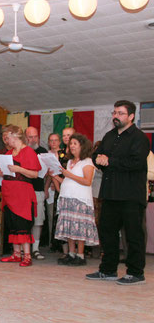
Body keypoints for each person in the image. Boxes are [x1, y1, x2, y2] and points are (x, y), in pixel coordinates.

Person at [87, 100, 150, 285]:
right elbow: (96, 155)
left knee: (133, 235)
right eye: (114, 113)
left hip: (131, 195)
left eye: (120, 113)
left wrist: (110, 161)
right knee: (107, 233)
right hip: (110, 193)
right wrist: (99, 159)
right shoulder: (109, 135)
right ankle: (108, 270)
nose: (116, 116)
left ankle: (136, 273)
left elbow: (136, 162)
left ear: (131, 116)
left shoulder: (139, 138)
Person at [50, 133, 99, 266]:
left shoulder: (87, 162)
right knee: (70, 228)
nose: (71, 146)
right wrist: (54, 176)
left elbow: (87, 181)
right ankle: (71, 254)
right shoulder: (70, 162)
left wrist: (68, 174)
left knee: (80, 228)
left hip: (80, 200)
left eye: (75, 143)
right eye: (70, 143)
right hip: (67, 198)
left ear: (82, 146)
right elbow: (66, 180)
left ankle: (80, 255)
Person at [0, 125, 41, 267]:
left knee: (22, 223)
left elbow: (35, 174)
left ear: (15, 135)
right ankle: (16, 254)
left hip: (22, 193)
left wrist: (19, 169)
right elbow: (6, 171)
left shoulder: (28, 151)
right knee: (12, 223)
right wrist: (1, 172)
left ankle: (27, 256)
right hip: (9, 192)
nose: (6, 140)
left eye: (7, 137)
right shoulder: (8, 153)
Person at [25, 126, 48, 260]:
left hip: (38, 189)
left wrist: (46, 189)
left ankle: (35, 248)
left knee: (38, 219)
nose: (33, 140)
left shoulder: (43, 151)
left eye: (35, 137)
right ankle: (25, 247)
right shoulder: (23, 151)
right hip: (24, 190)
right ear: (25, 138)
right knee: (25, 220)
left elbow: (48, 173)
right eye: (30, 137)